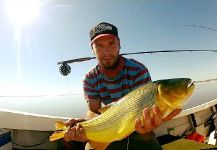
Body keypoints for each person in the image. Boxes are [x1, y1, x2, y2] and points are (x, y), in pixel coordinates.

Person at [64, 22, 181, 150]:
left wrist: (151, 124)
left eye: (111, 43)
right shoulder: (89, 79)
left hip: (140, 131)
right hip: (109, 128)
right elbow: (93, 111)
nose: (106, 51)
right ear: (92, 49)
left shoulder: (138, 70)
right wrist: (87, 126)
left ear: (119, 44)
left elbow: (145, 107)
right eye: (99, 46)